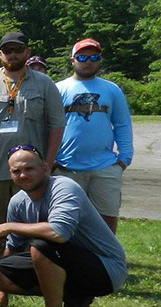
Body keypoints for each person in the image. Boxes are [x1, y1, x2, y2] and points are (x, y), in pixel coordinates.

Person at [0, 145, 127, 307]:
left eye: (29, 169)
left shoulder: (64, 187)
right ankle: (75, 298)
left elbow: (59, 233)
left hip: (106, 269)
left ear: (45, 168)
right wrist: (2, 294)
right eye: (16, 171)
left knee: (42, 246)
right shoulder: (18, 202)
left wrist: (11, 226)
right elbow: (13, 246)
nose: (23, 175)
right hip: (63, 262)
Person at [0, 31, 65, 264]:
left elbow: (57, 126)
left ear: (27, 53)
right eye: (7, 51)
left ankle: (29, 263)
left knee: (33, 219)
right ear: (0, 55)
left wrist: (47, 163)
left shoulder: (45, 84)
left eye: (18, 50)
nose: (12, 55)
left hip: (32, 171)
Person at [53, 38, 133, 234]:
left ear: (99, 60)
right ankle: (72, 261)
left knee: (106, 218)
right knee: (67, 219)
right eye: (82, 57)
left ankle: (106, 260)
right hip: (66, 167)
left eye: (94, 57)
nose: (88, 61)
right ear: (72, 60)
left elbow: (122, 124)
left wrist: (124, 159)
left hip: (105, 167)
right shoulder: (58, 88)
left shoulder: (111, 89)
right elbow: (48, 126)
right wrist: (52, 161)